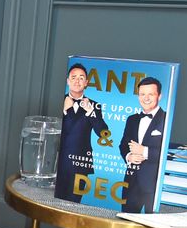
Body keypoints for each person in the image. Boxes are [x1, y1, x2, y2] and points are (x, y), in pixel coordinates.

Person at [55, 63, 111, 203]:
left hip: (79, 165)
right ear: (68, 81)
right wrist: (64, 111)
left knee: (73, 205)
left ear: (86, 83)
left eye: (81, 78)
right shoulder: (57, 100)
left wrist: (90, 112)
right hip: (56, 162)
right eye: (73, 77)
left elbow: (104, 133)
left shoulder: (94, 105)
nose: (77, 81)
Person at [119, 77, 167, 213]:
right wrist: (129, 156)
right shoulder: (132, 119)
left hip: (154, 186)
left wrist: (144, 151)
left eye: (150, 94)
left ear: (159, 96)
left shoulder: (167, 119)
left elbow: (169, 153)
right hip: (131, 183)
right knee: (126, 225)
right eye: (142, 94)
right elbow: (123, 145)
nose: (146, 98)